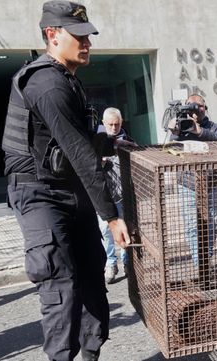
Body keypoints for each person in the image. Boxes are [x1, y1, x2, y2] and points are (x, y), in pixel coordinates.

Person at [1, 1, 130, 360]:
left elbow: (81, 140)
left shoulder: (68, 80)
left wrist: (111, 141)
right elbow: (80, 154)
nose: (87, 44)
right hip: (39, 194)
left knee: (93, 283)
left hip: (70, 190)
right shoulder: (47, 84)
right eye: (79, 37)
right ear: (52, 35)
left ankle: (89, 356)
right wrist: (112, 215)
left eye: (89, 37)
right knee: (62, 288)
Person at [169, 94, 217, 267]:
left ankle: (205, 258)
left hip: (210, 185)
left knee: (211, 223)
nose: (195, 109)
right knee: (192, 225)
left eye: (199, 105)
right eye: (190, 105)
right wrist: (175, 131)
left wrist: (199, 131)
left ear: (205, 108)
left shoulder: (216, 127)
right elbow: (171, 148)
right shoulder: (181, 127)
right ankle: (200, 264)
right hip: (188, 185)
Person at [96, 108, 135, 284]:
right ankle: (111, 264)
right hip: (103, 195)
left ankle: (127, 262)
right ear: (103, 123)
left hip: (123, 194)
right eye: (110, 124)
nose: (113, 127)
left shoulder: (128, 140)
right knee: (105, 231)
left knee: (124, 230)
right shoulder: (97, 141)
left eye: (117, 124)